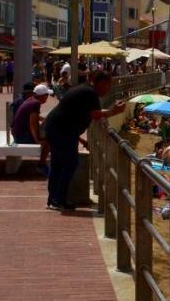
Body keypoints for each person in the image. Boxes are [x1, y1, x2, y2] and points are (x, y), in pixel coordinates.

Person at [42, 69, 126, 211]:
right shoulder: (89, 93)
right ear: (99, 82)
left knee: (58, 165)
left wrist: (81, 141)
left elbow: (77, 115)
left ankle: (53, 199)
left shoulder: (86, 90)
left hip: (58, 129)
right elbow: (95, 115)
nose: (108, 88)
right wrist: (113, 111)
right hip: (62, 131)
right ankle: (58, 199)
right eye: (107, 84)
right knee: (69, 163)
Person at [11, 83, 53, 169]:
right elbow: (32, 123)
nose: (47, 97)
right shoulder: (36, 103)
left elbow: (34, 117)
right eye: (47, 95)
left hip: (17, 133)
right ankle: (42, 165)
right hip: (22, 137)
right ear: (42, 95)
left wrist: (44, 120)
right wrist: (37, 140)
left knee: (47, 135)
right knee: (49, 141)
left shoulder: (31, 99)